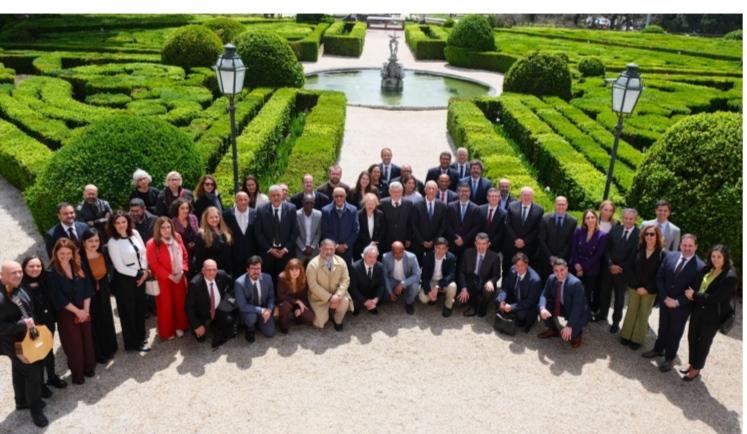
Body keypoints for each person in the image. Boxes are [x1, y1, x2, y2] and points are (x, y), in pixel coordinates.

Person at [642, 234, 705, 373]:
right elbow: (660, 277)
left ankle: (669, 358)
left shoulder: (701, 267)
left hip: (682, 307)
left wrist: (677, 302)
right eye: (684, 245)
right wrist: (665, 297)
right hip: (665, 301)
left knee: (675, 332)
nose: (687, 248)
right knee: (663, 327)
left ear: (696, 247)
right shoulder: (670, 256)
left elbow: (695, 290)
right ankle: (658, 349)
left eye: (690, 246)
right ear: (680, 245)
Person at [1, 260, 49, 427]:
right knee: (33, 373)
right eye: (13, 273)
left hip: (26, 339)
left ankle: (21, 401)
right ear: (2, 275)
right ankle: (36, 411)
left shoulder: (19, 285)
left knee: (18, 368)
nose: (18, 275)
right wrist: (22, 325)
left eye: (19, 271)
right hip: (13, 343)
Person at [682, 245, 738, 382]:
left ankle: (696, 368)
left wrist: (694, 295)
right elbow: (698, 285)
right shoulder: (708, 269)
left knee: (704, 342)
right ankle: (692, 363)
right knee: (692, 337)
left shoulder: (730, 277)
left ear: (725, 258)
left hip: (713, 316)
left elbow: (715, 298)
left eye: (719, 257)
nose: (715, 259)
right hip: (698, 310)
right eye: (713, 256)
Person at [47, 238, 95, 385]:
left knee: (87, 339)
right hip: (66, 313)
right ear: (55, 253)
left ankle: (89, 368)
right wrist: (77, 312)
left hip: (84, 309)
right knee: (73, 344)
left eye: (68, 253)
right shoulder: (51, 273)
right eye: (62, 253)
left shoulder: (79, 266)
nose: (65, 256)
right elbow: (58, 297)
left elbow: (87, 288)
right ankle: (78, 374)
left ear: (73, 253)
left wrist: (85, 311)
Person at [106, 211, 150, 352]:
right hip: (124, 280)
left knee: (140, 309)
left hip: (141, 275)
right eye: (117, 223)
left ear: (128, 222)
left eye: (124, 222)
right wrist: (139, 274)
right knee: (128, 312)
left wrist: (144, 271)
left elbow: (144, 253)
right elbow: (119, 266)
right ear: (113, 225)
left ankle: (141, 337)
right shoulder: (113, 242)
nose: (121, 225)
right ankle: (132, 343)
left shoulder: (135, 233)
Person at [21, 256, 66, 389]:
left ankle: (51, 377)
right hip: (32, 324)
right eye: (31, 266)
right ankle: (40, 384)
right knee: (36, 354)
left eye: (38, 266)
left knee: (48, 349)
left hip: (48, 321)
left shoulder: (46, 279)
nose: (35, 269)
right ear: (24, 268)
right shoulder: (20, 285)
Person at [619, 225, 664, 350]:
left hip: (650, 291)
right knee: (631, 311)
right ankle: (626, 335)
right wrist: (636, 285)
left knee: (643, 314)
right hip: (634, 287)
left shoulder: (662, 254)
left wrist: (647, 288)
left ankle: (637, 339)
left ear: (657, 236)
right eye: (646, 234)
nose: (649, 236)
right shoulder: (638, 248)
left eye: (652, 234)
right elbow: (629, 267)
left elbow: (660, 275)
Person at [145, 217, 189, 341]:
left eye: (168, 227)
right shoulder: (152, 243)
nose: (166, 230)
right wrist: (170, 276)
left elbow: (185, 255)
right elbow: (154, 264)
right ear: (158, 229)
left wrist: (182, 271)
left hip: (179, 276)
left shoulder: (177, 237)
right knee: (165, 305)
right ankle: (167, 330)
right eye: (163, 228)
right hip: (163, 279)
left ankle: (180, 326)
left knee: (180, 303)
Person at [79, 228, 118, 363]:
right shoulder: (79, 258)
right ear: (84, 242)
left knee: (106, 318)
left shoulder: (103, 252)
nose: (94, 243)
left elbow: (109, 270)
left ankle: (110, 347)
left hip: (103, 290)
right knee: (95, 323)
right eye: (90, 241)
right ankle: (99, 353)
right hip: (88, 294)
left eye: (96, 240)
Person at [600, 208, 640, 333]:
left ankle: (616, 322)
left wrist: (619, 267)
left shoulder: (639, 235)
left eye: (631, 219)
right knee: (605, 293)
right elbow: (607, 249)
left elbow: (634, 256)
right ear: (622, 218)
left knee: (619, 298)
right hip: (609, 269)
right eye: (626, 218)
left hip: (623, 272)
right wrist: (611, 265)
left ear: (635, 219)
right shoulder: (615, 229)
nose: (628, 221)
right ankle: (602, 314)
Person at [538, 258, 589, 348]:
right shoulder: (551, 278)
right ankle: (553, 330)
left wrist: (569, 326)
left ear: (567, 269)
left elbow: (577, 307)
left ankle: (578, 334)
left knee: (568, 336)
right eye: (556, 270)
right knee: (541, 307)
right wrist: (542, 308)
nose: (559, 273)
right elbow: (544, 295)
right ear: (553, 270)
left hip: (577, 311)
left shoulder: (576, 284)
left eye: (562, 270)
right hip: (562, 305)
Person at [185, 259, 237, 348]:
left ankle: (214, 324)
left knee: (229, 321)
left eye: (214, 270)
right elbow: (189, 307)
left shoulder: (221, 274)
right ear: (203, 270)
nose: (212, 273)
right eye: (208, 270)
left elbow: (234, 283)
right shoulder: (195, 284)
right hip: (202, 312)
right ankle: (207, 324)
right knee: (200, 337)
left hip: (218, 308)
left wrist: (231, 297)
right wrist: (196, 326)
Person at [570, 209, 609, 320]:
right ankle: (572, 314)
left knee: (586, 294)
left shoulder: (602, 235)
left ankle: (583, 316)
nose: (590, 220)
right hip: (575, 267)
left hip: (591, 270)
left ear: (596, 219)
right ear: (584, 220)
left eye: (592, 217)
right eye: (588, 218)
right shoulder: (578, 230)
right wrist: (577, 264)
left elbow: (597, 255)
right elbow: (573, 249)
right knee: (574, 292)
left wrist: (582, 267)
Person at [306, 239, 352, 330]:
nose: (329, 252)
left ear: (335, 249)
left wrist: (338, 295)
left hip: (336, 295)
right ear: (320, 248)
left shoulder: (341, 261)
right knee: (320, 321)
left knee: (345, 300)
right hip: (319, 298)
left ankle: (338, 321)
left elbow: (345, 279)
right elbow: (313, 286)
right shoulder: (312, 265)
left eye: (331, 249)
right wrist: (330, 298)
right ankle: (329, 312)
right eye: (326, 249)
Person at [255, 185, 298, 284]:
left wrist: (285, 249)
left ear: (282, 195)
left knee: (286, 280)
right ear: (269, 196)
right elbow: (258, 232)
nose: (276, 198)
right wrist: (270, 249)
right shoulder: (261, 209)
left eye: (278, 195)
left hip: (286, 253)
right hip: (268, 253)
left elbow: (295, 231)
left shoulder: (291, 208)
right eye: (273, 195)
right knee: (269, 280)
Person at [503, 186, 544, 278]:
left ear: (532, 196)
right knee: (508, 269)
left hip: (528, 247)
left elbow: (537, 229)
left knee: (526, 271)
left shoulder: (539, 210)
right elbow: (507, 224)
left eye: (529, 195)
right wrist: (516, 239)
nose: (526, 197)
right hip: (512, 245)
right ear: (520, 196)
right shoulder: (511, 206)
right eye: (524, 195)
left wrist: (524, 241)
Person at [495, 253, 543, 333]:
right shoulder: (512, 269)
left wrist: (512, 307)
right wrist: (502, 300)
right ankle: (508, 314)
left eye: (522, 265)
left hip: (527, 304)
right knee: (498, 299)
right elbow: (506, 286)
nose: (519, 268)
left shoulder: (535, 280)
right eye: (517, 266)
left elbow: (530, 302)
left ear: (527, 264)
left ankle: (524, 320)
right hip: (515, 296)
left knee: (521, 314)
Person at [457, 233, 501, 317]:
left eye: (484, 244)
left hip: (485, 281)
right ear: (475, 243)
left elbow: (497, 275)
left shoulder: (494, 256)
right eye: (479, 243)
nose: (481, 246)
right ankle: (475, 300)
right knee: (458, 302)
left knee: (488, 291)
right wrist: (464, 288)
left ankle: (483, 305)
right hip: (471, 280)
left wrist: (491, 281)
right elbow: (461, 272)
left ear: (488, 244)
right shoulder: (467, 252)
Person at [234, 256, 276, 343]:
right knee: (251, 317)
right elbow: (243, 306)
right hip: (249, 311)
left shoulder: (268, 278)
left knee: (270, 333)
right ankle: (250, 328)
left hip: (264, 309)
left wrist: (269, 310)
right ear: (247, 270)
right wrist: (262, 310)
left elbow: (271, 297)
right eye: (253, 268)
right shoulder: (239, 283)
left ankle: (259, 323)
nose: (256, 271)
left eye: (258, 268)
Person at [537, 196, 576, 279]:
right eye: (559, 204)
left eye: (563, 204)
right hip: (546, 259)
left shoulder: (573, 221)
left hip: (563, 260)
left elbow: (570, 242)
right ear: (555, 205)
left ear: (567, 205)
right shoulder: (545, 218)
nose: (561, 206)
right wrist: (550, 256)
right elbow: (541, 239)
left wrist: (559, 258)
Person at [417, 238, 457, 317]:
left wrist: (438, 286)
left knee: (453, 286)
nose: (440, 251)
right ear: (434, 248)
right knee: (423, 298)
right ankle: (435, 296)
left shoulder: (451, 257)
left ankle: (448, 305)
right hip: (432, 280)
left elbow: (451, 275)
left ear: (447, 249)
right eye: (438, 248)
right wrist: (428, 291)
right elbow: (424, 276)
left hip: (443, 281)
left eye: (443, 248)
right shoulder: (428, 257)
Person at [321, 187, 360, 264]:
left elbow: (355, 230)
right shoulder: (325, 211)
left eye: (341, 196)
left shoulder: (353, 210)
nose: (339, 198)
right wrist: (336, 245)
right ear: (333, 196)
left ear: (345, 196)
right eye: (336, 196)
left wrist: (346, 245)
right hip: (331, 249)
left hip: (347, 250)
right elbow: (325, 230)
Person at [411, 180, 447, 263]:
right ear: (425, 190)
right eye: (429, 188)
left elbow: (442, 225)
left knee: (431, 266)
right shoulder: (417, 205)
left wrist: (434, 241)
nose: (431, 191)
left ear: (437, 191)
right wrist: (422, 241)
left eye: (433, 189)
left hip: (435, 244)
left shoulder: (442, 206)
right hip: (419, 243)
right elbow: (414, 224)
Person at [223, 192, 258, 276]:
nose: (243, 202)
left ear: (249, 200)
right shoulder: (227, 214)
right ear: (236, 201)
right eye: (240, 200)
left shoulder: (255, 213)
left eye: (245, 199)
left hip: (252, 254)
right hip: (234, 255)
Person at [276, 259, 315, 333]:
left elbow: (304, 296)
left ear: (300, 270)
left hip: (297, 303)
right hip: (286, 302)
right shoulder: (282, 278)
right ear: (288, 270)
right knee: (284, 306)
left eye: (297, 269)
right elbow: (280, 296)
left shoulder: (303, 278)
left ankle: (296, 317)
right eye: (292, 270)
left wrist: (298, 308)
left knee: (310, 316)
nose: (295, 272)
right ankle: (283, 323)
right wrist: (296, 301)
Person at [382, 241, 422, 315]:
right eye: (395, 253)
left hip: (406, 279)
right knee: (384, 294)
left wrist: (402, 284)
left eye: (400, 252)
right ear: (391, 252)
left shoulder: (412, 257)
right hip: (393, 279)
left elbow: (417, 274)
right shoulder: (385, 257)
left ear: (404, 250)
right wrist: (390, 293)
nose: (398, 255)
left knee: (415, 287)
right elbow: (385, 276)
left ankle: (409, 302)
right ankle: (395, 293)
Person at [194, 206, 234, 276]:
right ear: (206, 219)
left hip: (227, 272)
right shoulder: (202, 235)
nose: (214, 219)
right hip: (212, 273)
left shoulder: (225, 231)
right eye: (211, 217)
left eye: (216, 217)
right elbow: (199, 259)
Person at [446, 182, 480, 258]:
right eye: (462, 191)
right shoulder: (450, 206)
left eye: (466, 191)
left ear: (470, 193)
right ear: (458, 192)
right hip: (453, 243)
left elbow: (476, 227)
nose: (464, 193)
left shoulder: (476, 208)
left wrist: (464, 239)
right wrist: (455, 238)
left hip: (468, 244)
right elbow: (447, 224)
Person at [349, 245, 386, 315]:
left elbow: (381, 285)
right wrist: (364, 301)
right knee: (355, 306)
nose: (372, 260)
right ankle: (361, 305)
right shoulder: (355, 267)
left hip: (372, 291)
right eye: (370, 257)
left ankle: (372, 304)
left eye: (375, 257)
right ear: (364, 256)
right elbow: (353, 288)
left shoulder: (380, 266)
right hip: (359, 292)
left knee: (383, 295)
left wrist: (376, 299)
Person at [379, 182, 414, 252]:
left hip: (403, 240)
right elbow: (380, 222)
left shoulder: (409, 204)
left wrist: (408, 238)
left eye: (398, 191)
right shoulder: (382, 203)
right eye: (394, 191)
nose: (396, 194)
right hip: (386, 240)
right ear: (389, 192)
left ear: (402, 191)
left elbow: (410, 223)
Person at [354, 193, 385, 261]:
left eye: (372, 204)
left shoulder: (380, 214)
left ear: (376, 204)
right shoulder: (358, 214)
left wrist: (376, 242)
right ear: (364, 204)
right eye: (368, 204)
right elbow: (357, 230)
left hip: (376, 246)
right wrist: (369, 242)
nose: (370, 206)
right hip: (361, 246)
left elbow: (383, 230)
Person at [295, 194, 322, 263]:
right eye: (307, 203)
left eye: (311, 203)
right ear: (302, 202)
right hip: (300, 250)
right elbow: (295, 234)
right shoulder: (296, 214)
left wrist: (312, 247)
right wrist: (303, 248)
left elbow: (318, 233)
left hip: (314, 251)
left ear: (314, 203)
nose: (309, 205)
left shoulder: (319, 214)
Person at [480, 188, 506, 256]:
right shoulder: (480, 209)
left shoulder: (504, 213)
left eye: (496, 196)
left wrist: (489, 243)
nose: (494, 198)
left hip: (494, 246)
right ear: (487, 197)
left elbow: (501, 232)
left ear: (499, 198)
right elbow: (477, 226)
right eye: (491, 196)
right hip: (479, 244)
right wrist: (481, 242)